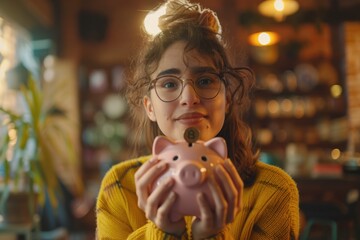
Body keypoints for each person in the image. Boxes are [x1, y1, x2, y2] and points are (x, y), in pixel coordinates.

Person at [96, 0, 300, 239]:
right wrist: (165, 232)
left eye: (204, 80)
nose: (189, 98)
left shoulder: (273, 191)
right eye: (169, 84)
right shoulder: (120, 187)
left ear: (227, 100)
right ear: (149, 107)